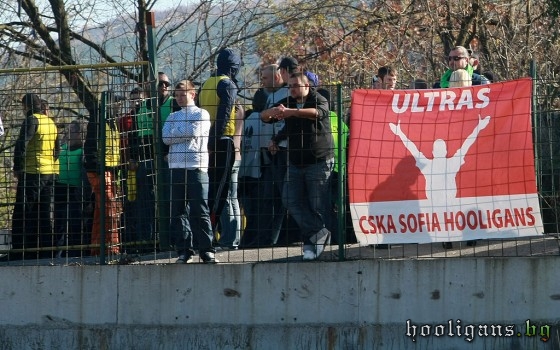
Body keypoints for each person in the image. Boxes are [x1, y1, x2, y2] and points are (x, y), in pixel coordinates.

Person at [261, 72, 334, 261]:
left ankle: (313, 242)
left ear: (307, 86)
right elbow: (266, 117)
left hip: (318, 160)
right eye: (290, 85)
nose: (292, 89)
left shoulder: (318, 99)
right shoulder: (287, 102)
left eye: (296, 85)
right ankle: (319, 233)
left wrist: (290, 113)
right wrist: (272, 115)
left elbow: (317, 114)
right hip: (295, 161)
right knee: (290, 199)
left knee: (316, 204)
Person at [162, 80, 216, 263]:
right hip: (176, 167)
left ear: (193, 94)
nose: (179, 98)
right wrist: (180, 132)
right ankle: (184, 250)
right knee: (178, 211)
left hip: (196, 166)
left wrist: (177, 133)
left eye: (182, 94)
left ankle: (206, 249)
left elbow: (192, 132)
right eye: (176, 95)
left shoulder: (201, 114)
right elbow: (165, 137)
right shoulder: (172, 116)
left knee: (199, 209)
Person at [11, 93, 60, 260]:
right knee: (45, 214)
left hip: (32, 173)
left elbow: (21, 144)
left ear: (26, 106)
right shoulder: (51, 123)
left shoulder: (32, 120)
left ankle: (21, 252)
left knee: (23, 213)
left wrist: (17, 167)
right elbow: (57, 150)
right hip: (49, 173)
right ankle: (47, 252)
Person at [198, 48, 242, 234]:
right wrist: (213, 143)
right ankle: (209, 233)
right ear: (234, 67)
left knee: (208, 190)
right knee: (220, 192)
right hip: (222, 142)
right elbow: (224, 116)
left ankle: (206, 232)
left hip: (203, 141)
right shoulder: (228, 84)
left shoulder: (205, 84)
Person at [83, 91, 124, 257]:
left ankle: (98, 247)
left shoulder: (112, 121)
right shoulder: (98, 118)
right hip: (100, 169)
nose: (119, 106)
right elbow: (91, 144)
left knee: (101, 211)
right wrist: (97, 167)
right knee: (109, 209)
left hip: (111, 169)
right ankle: (111, 247)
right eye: (117, 103)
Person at [54, 120, 91, 257]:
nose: (67, 133)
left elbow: (86, 176)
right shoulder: (63, 148)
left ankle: (76, 252)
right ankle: (59, 252)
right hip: (60, 189)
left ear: (79, 133)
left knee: (75, 223)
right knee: (59, 223)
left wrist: (85, 196)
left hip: (75, 191)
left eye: (71, 130)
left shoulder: (83, 151)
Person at [127, 87, 156, 252]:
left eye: (139, 99)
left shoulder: (150, 111)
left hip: (151, 161)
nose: (135, 102)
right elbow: (133, 138)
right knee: (141, 203)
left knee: (149, 201)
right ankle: (143, 240)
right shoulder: (135, 116)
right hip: (139, 164)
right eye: (133, 100)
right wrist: (132, 157)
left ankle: (151, 239)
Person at [157, 72, 181, 251]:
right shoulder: (144, 106)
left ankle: (173, 239)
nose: (164, 86)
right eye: (160, 83)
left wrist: (167, 152)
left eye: (166, 83)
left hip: (168, 159)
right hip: (147, 159)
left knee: (171, 200)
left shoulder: (174, 104)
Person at [217, 104, 243, 250]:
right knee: (233, 199)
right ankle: (234, 239)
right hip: (237, 154)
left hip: (229, 155)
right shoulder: (239, 108)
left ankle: (228, 239)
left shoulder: (230, 108)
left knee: (226, 197)